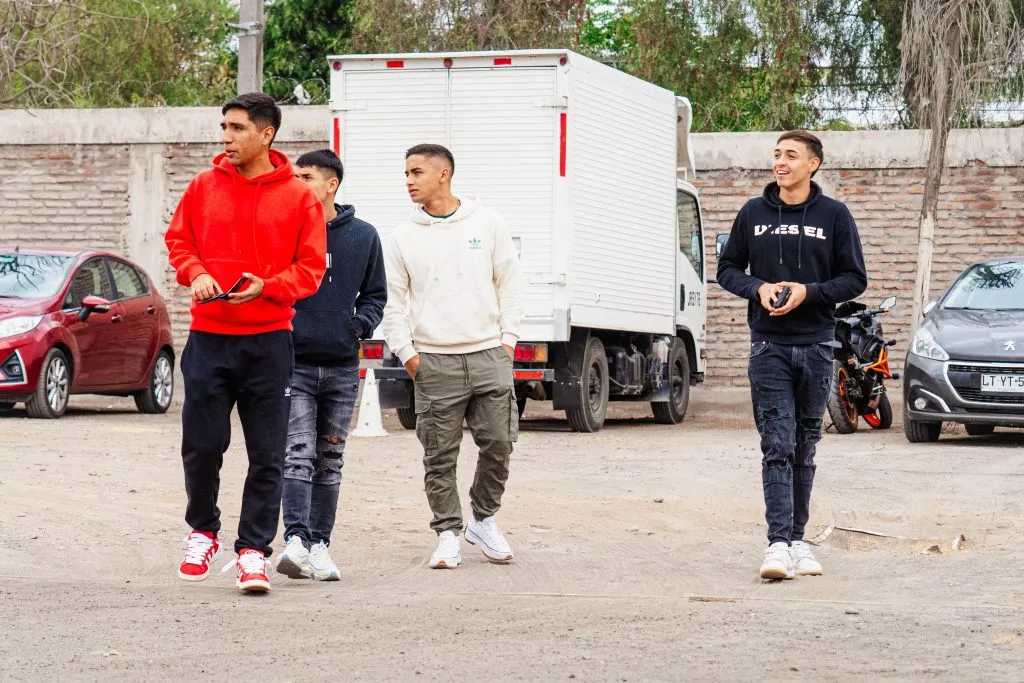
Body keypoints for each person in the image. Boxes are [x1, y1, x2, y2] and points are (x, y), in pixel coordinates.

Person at [165, 93, 326, 593]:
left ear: (266, 134)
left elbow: (312, 268)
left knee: (268, 454)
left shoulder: (299, 198)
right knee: (202, 445)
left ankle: (254, 550)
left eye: (236, 128)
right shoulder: (202, 186)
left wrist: (269, 286)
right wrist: (195, 274)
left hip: (269, 344)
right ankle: (202, 531)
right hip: (209, 339)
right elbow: (179, 243)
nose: (226, 137)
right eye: (224, 127)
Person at [716, 130, 867, 581]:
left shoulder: (835, 216)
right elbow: (726, 269)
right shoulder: (753, 213)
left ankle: (799, 541)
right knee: (776, 445)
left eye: (790, 155)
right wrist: (757, 287)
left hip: (818, 346)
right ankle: (777, 544)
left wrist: (810, 293)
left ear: (813, 164)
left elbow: (854, 279)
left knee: (805, 447)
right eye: (777, 154)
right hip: (769, 347)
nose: (779, 162)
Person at [381, 143, 524, 569]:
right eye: (406, 173)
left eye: (417, 172)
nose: (408, 180)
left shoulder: (487, 221)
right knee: (438, 455)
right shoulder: (402, 236)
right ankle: (447, 533)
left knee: (499, 442)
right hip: (433, 361)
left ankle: (483, 519)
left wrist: (508, 342)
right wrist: (408, 355)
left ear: (444, 174)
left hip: (488, 355)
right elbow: (393, 304)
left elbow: (511, 283)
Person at [274, 149, 387, 581]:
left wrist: (357, 327)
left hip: (341, 366)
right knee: (297, 454)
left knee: (331, 457)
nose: (296, 182)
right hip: (294, 363)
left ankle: (320, 544)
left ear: (330, 184)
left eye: (305, 176)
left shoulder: (363, 236)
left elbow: (375, 295)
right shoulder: (284, 232)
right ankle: (296, 541)